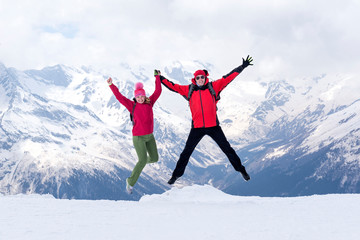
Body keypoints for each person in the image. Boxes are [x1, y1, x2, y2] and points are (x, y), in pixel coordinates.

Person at [159, 56, 253, 185]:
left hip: (214, 126)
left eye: (202, 77)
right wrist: (160, 78)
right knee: (186, 152)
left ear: (205, 78)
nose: (200, 79)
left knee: (227, 149)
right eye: (198, 78)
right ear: (194, 79)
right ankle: (175, 176)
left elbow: (229, 77)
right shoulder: (189, 90)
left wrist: (242, 66)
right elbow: (173, 86)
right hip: (197, 128)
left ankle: (241, 170)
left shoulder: (214, 86)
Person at [107, 70, 162, 194]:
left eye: (142, 96)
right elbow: (119, 97)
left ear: (145, 96)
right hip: (138, 138)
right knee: (142, 161)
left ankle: (140, 163)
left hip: (150, 136)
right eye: (138, 97)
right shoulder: (132, 105)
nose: (140, 98)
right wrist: (111, 85)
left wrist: (157, 77)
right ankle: (130, 182)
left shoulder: (150, 103)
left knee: (154, 158)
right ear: (135, 97)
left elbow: (158, 91)